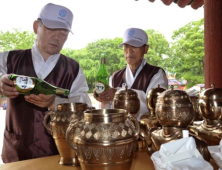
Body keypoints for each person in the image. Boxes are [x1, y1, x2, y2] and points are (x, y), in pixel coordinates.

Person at [0, 3, 91, 163]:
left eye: (63, 33)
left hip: (59, 153)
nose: (57, 37)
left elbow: (85, 105)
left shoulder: (73, 69)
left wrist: (57, 102)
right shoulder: (8, 59)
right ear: (36, 27)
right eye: (51, 29)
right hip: (16, 153)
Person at [94, 28, 168, 121]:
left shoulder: (156, 74)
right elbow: (108, 110)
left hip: (145, 130)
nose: (129, 51)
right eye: (126, 46)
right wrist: (103, 98)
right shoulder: (115, 77)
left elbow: (157, 105)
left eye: (135, 46)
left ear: (145, 49)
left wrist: (118, 94)